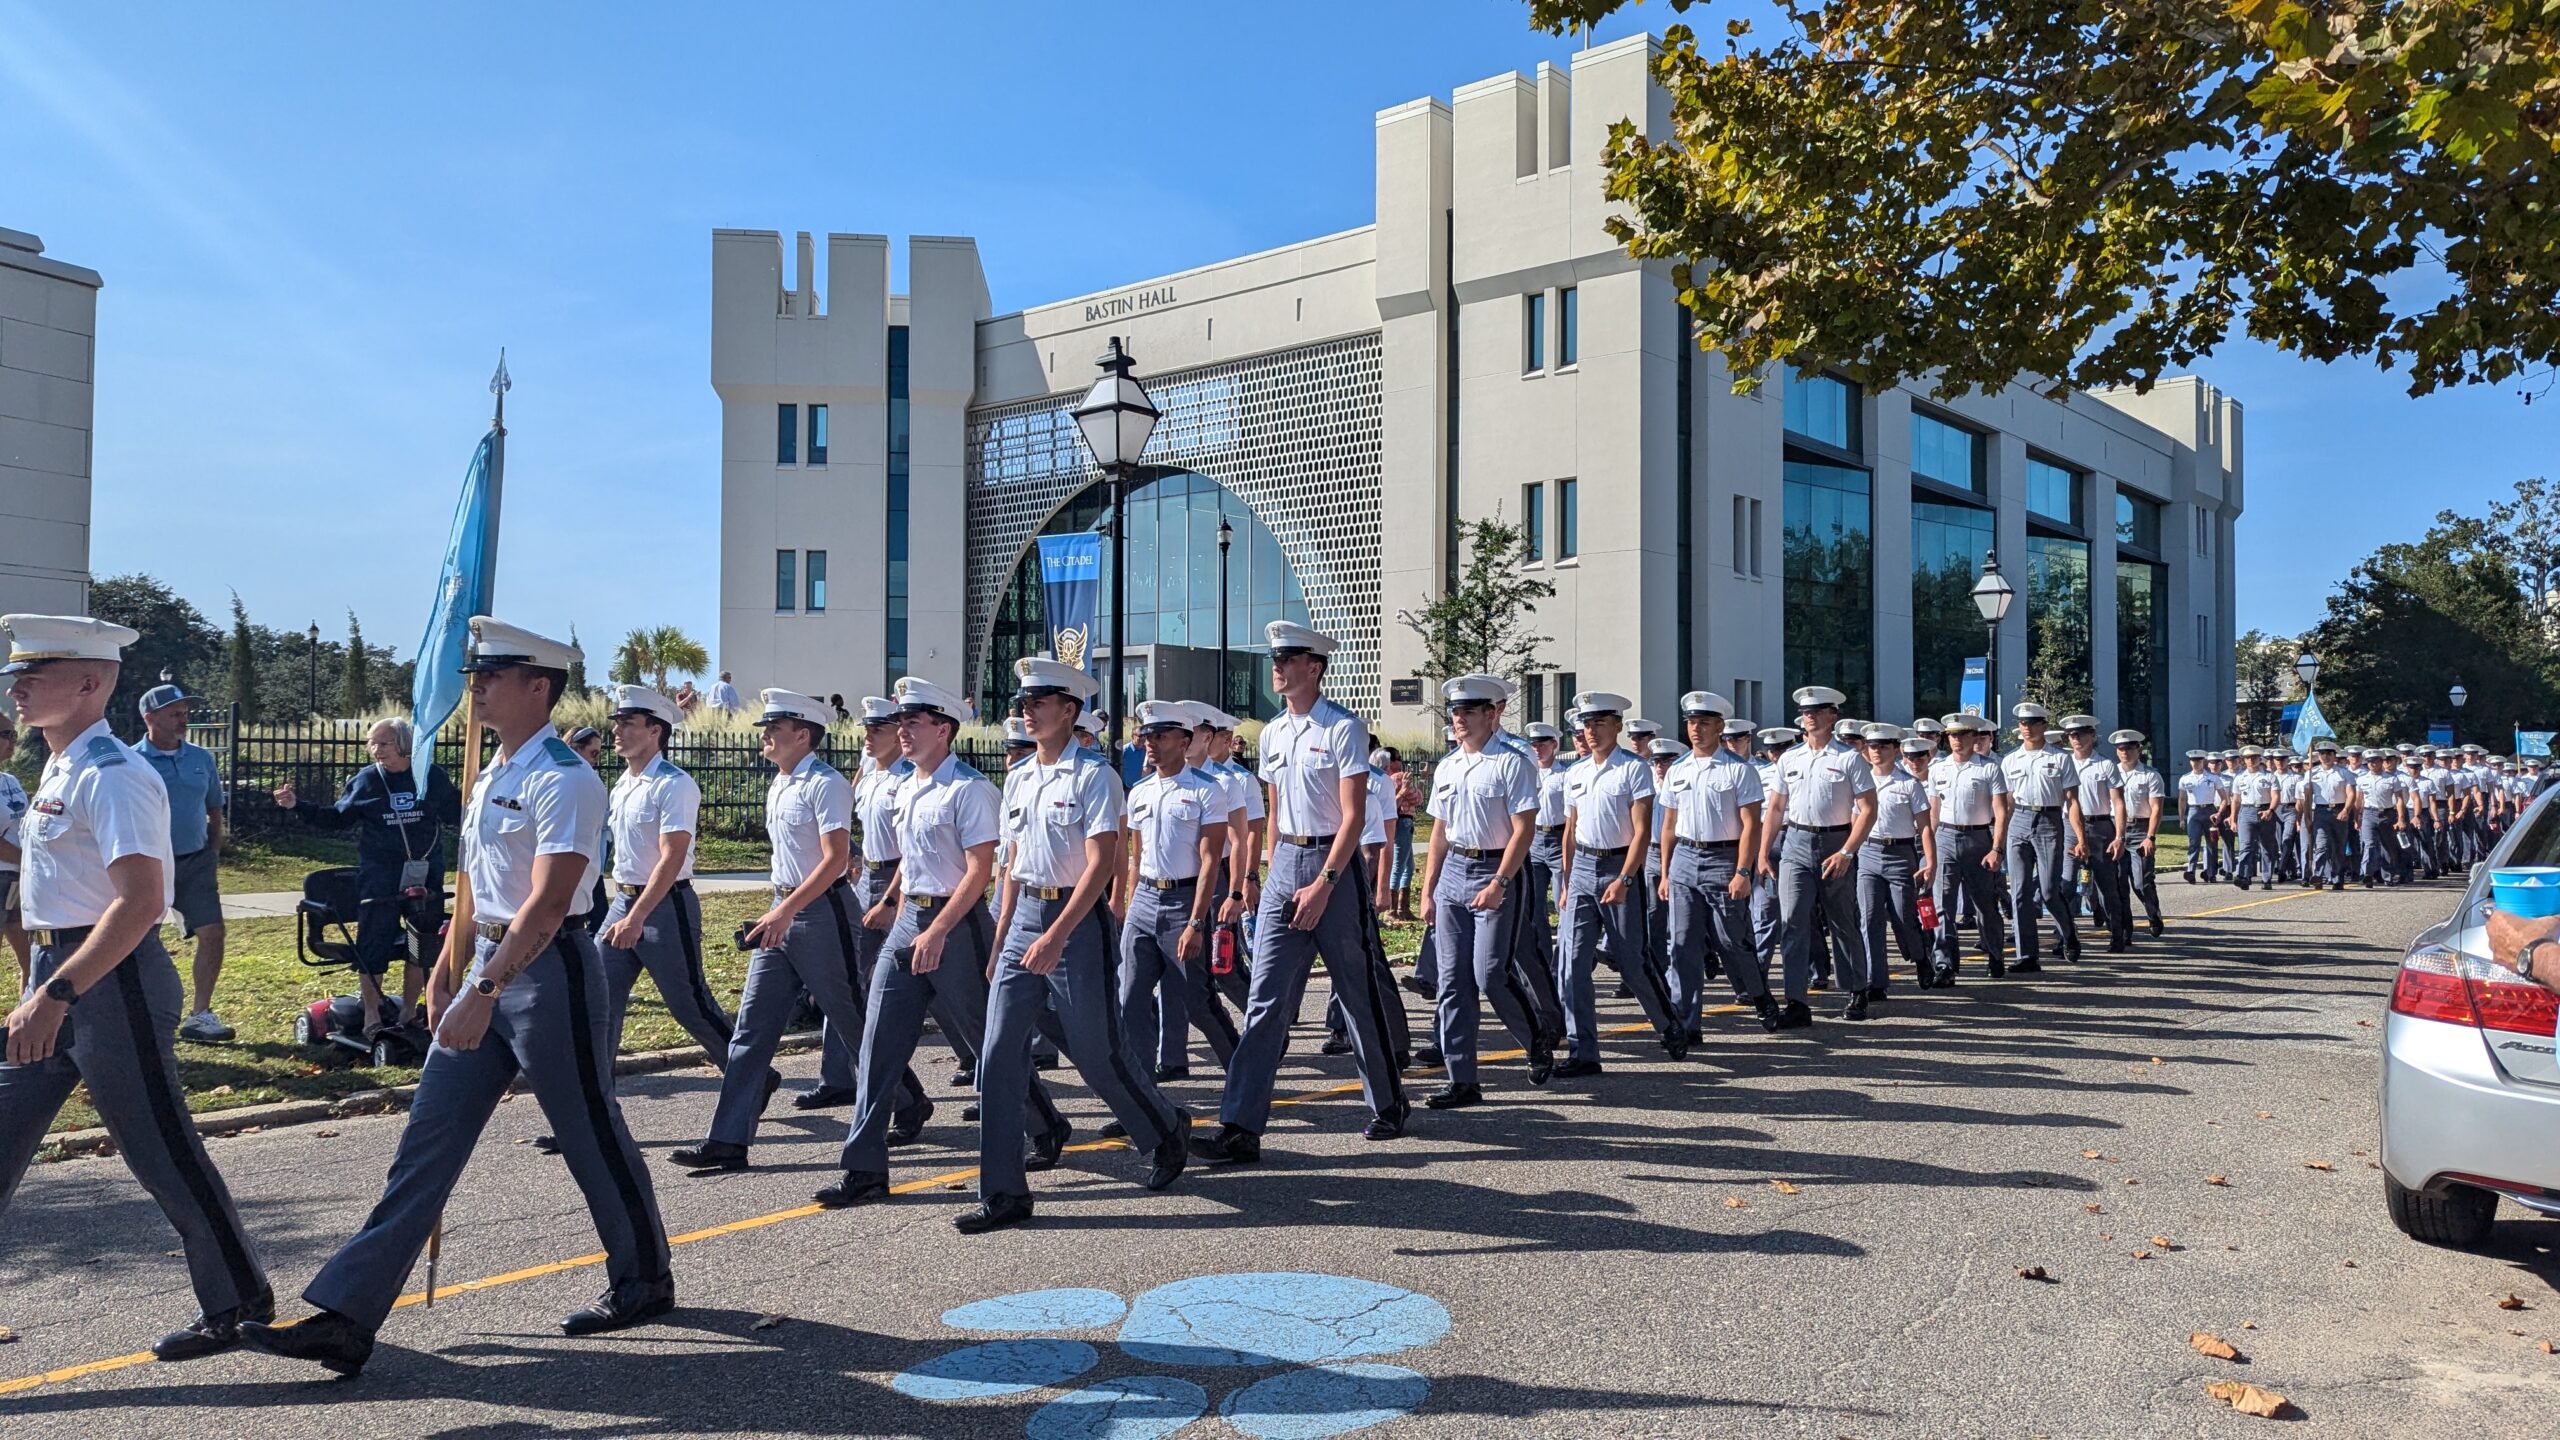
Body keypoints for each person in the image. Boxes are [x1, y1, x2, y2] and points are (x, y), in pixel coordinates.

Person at [247, 618, 670, 1375]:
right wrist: (446, 970)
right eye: (475, 675)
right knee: (425, 1147)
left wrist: (485, 984)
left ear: (538, 687)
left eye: (492, 676)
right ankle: (347, 1317)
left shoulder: (564, 779)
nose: (474, 687)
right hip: (482, 964)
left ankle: (643, 1278)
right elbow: (474, 890)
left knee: (589, 1133)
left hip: (546, 973)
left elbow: (547, 903)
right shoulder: (491, 774)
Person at [0, 614, 272, 1364]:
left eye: (35, 675)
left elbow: (142, 903)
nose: (17, 688)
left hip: (109, 984)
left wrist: (55, 993)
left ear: (90, 683)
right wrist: (42, 985)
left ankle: (237, 1302)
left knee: (161, 1152)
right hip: (60, 976)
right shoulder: (57, 767)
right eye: (16, 674)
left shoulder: (114, 775)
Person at [815, 677, 1068, 1210]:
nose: (901, 731)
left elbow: (980, 870)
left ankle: (1044, 1124)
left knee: (986, 1044)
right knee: (878, 1043)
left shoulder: (970, 789)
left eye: (913, 722)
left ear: (944, 729)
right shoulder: (906, 785)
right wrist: (891, 901)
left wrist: (939, 929)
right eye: (900, 722)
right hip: (909, 922)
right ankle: (863, 1169)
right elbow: (913, 856)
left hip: (957, 927)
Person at [971, 658, 1185, 1232]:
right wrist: (1001, 941)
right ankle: (1004, 1192)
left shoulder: (1096, 775)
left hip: (1075, 921)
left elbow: (1100, 866)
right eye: (1024, 702)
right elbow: (1012, 866)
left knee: (1095, 1051)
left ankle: (1164, 1128)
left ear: (1069, 711)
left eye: (1039, 702)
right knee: (995, 1057)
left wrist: (1056, 933)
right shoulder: (1017, 778)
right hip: (1023, 923)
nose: (1027, 710)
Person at [1191, 623, 1409, 1164]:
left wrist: (1325, 882)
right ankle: (1240, 1126)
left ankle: (1387, 1102)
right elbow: (1274, 807)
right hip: (1288, 859)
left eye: (1288, 658)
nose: (1278, 667)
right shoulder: (1272, 733)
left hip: (1332, 867)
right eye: (1275, 658)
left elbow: (1355, 815)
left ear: (1314, 666)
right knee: (1265, 1000)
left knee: (1357, 994)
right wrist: (1263, 874)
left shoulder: (1342, 728)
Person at [667, 689, 884, 1173]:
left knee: (850, 1016)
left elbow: (834, 861)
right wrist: (779, 910)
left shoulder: (825, 783)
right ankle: (728, 1139)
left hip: (818, 912)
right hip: (781, 909)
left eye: (774, 728)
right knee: (752, 1026)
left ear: (802, 734)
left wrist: (786, 911)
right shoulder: (781, 782)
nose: (764, 735)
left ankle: (906, 1101)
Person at [593, 684, 750, 1074]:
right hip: (624, 903)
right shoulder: (624, 784)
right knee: (598, 1001)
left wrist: (637, 917)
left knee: (689, 1006)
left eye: (628, 723)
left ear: (654, 731)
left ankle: (749, 1076)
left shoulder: (674, 784)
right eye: (617, 722)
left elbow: (672, 855)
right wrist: (625, 913)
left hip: (664, 906)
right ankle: (592, 1110)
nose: (617, 731)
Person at [272, 716, 463, 1035]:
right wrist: (297, 806)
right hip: (380, 877)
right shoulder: (367, 780)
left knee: (422, 945)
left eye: (384, 743)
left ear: (404, 745)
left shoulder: (431, 777)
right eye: (372, 743)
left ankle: (409, 1012)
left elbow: (457, 814)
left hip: (425, 873)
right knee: (374, 943)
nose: (376, 750)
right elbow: (336, 818)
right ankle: (372, 1016)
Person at [1417, 674, 1551, 1107]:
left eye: (1469, 711)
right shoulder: (1449, 765)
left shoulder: (1513, 762)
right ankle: (1462, 1079)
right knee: (1453, 982)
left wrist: (1499, 883)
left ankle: (1536, 1039)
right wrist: (1428, 888)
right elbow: (1439, 831)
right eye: (1455, 712)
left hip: (1498, 870)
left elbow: (1524, 829)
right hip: (1455, 871)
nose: (1459, 719)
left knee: (1491, 974)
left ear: (1494, 713)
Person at [802, 696, 935, 1111]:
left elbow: (910, 851)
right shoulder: (869, 778)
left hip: (898, 881)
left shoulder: (905, 779)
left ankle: (974, 1061)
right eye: (867, 730)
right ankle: (838, 1076)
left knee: (935, 990)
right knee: (849, 981)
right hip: (868, 878)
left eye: (877, 730)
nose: (868, 737)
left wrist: (891, 898)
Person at [1115, 698, 1238, 1093]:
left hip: (1184, 903)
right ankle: (1141, 1092)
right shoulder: (1140, 792)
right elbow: (1137, 856)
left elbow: (1208, 862)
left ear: (1185, 741)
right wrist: (1132, 904)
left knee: (1197, 1002)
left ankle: (1242, 1073)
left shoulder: (1207, 791)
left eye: (1161, 735)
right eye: (1147, 734)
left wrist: (1197, 922)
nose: (1150, 742)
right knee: (1129, 1000)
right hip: (1145, 903)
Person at [1557, 690, 1681, 1063]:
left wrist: (1626, 879)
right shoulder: (1575, 772)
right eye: (1586, 724)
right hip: (1582, 871)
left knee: (1631, 961)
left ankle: (1667, 1024)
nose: (1591, 731)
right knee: (1573, 962)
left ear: (1617, 725)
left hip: (1618, 868)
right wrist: (1565, 882)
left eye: (1599, 723)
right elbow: (1571, 829)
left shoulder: (1633, 768)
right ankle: (1584, 1052)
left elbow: (1642, 831)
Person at [1761, 686, 1881, 1021]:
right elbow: (1775, 808)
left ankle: (1857, 989)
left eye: (1818, 710)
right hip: (1795, 843)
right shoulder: (1790, 758)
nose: (1810, 716)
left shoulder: (1848, 758)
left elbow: (1868, 809)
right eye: (1805, 711)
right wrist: (1762, 853)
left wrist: (1846, 852)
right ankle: (1796, 1001)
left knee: (1842, 921)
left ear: (1833, 716)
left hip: (1835, 843)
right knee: (1793, 923)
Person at [1657, 691, 1770, 1035]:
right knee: (1682, 945)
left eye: (1704, 722)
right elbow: (1668, 825)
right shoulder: (1678, 769)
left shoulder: (1739, 770)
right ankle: (1686, 1024)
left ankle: (1760, 994)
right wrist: (1664, 872)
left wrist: (1743, 871)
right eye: (1691, 722)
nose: (1696, 729)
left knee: (1731, 940)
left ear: (1719, 727)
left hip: (1724, 858)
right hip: (1685, 860)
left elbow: (1752, 824)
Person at [138, 685, 231, 1042]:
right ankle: (148, 1015)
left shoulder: (201, 758)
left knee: (213, 934)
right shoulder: (133, 760)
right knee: (141, 940)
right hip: (148, 865)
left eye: (185, 712)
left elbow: (214, 808)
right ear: (150, 718)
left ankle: (200, 1014)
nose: (184, 719)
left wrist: (213, 851)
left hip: (195, 862)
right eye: (175, 713)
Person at [2000, 703, 2086, 970]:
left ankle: (2067, 933)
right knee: (2020, 891)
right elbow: (2007, 802)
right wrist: (1998, 838)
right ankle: (2027, 955)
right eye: (2023, 723)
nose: (2027, 728)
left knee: (2049, 891)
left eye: (2033, 722)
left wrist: (2080, 838)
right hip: (2019, 820)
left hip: (2050, 820)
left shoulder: (2060, 758)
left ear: (2044, 726)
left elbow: (2072, 801)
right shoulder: (2010, 760)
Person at [1926, 714, 2010, 984]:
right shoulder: (1938, 768)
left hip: (1978, 840)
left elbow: (2000, 811)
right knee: (1942, 906)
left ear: (1975, 737)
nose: (1957, 740)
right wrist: (1928, 850)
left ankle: (1995, 954)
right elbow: (1934, 813)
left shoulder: (1989, 768)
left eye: (1963, 735)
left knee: (1985, 905)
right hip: (1946, 837)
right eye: (1953, 735)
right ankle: (1945, 964)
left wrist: (1996, 848)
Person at [1856, 723, 1935, 993]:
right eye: (1872, 746)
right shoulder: (1859, 781)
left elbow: (1925, 826)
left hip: (1901, 853)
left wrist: (1930, 863)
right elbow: (1854, 820)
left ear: (1895, 749)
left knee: (1904, 917)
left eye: (1883, 746)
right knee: (1869, 918)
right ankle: (1874, 981)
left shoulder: (1909, 784)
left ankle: (1921, 956)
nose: (1877, 751)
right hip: (1868, 852)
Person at [2061, 715, 2133, 950]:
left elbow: (2118, 803)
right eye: (2072, 735)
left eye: (2081, 734)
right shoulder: (2063, 762)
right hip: (2070, 827)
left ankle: (2117, 934)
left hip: (2100, 827)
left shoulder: (2105, 765)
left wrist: (2119, 836)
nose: (2076, 739)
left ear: (2092, 735)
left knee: (2106, 885)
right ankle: (2066, 936)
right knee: (2066, 884)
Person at [2113, 730, 2166, 937]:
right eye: (2120, 748)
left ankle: (2153, 914)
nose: (2125, 752)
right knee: (2119, 884)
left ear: (2138, 749)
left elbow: (2156, 809)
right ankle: (2125, 930)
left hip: (2140, 829)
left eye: (2129, 748)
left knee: (2141, 882)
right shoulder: (2112, 772)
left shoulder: (2150, 775)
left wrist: (2150, 836)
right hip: (2117, 830)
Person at [0, 713, 30, 990]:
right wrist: (29, 862)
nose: (12, 741)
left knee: (30, 957)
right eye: (5, 735)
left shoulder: (10, 780)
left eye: (14, 735)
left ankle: (24, 1024)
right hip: (6, 874)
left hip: (18, 880)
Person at [1388, 749, 1421, 920]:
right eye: (1398, 759)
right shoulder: (1398, 777)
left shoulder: (1386, 780)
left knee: (1408, 865)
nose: (1401, 762)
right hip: (1404, 821)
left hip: (1399, 822)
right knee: (1400, 865)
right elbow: (1418, 798)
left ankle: (1403, 908)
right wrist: (1413, 789)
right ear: (1391, 762)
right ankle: (1394, 909)